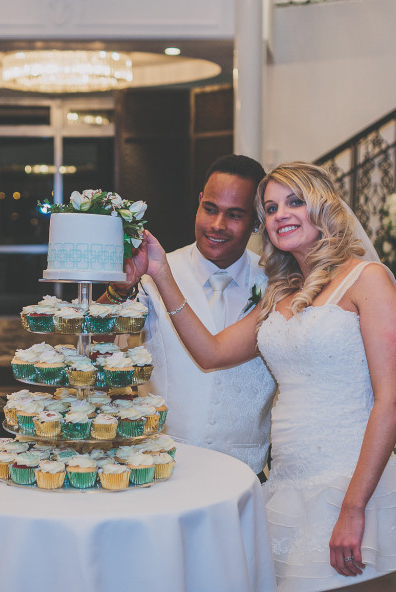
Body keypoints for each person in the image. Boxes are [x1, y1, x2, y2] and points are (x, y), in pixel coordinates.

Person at [137, 161, 396, 592]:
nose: (281, 214)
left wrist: (353, 507)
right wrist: (162, 275)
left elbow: (392, 401)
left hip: (351, 487)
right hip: (287, 488)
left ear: (324, 205)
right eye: (272, 207)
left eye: (294, 202)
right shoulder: (281, 293)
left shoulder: (367, 281)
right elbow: (211, 352)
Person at [105, 154, 277, 476]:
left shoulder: (276, 284)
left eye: (234, 215)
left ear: (257, 221)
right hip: (162, 468)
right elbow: (94, 341)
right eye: (210, 209)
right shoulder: (155, 271)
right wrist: (120, 288)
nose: (217, 225)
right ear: (199, 203)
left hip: (245, 475)